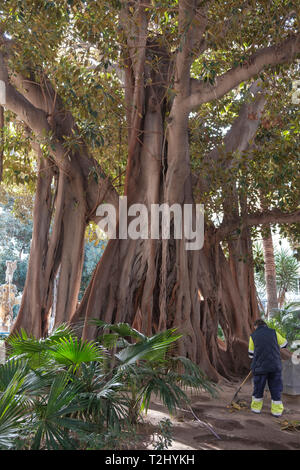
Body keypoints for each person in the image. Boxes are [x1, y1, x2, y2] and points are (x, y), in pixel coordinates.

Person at [248, 318, 288, 417]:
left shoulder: (253, 336)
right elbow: (284, 344)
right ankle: (277, 411)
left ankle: (256, 409)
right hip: (275, 366)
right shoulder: (274, 332)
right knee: (276, 388)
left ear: (255, 327)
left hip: (260, 367)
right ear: (265, 325)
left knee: (258, 388)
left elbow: (251, 354)